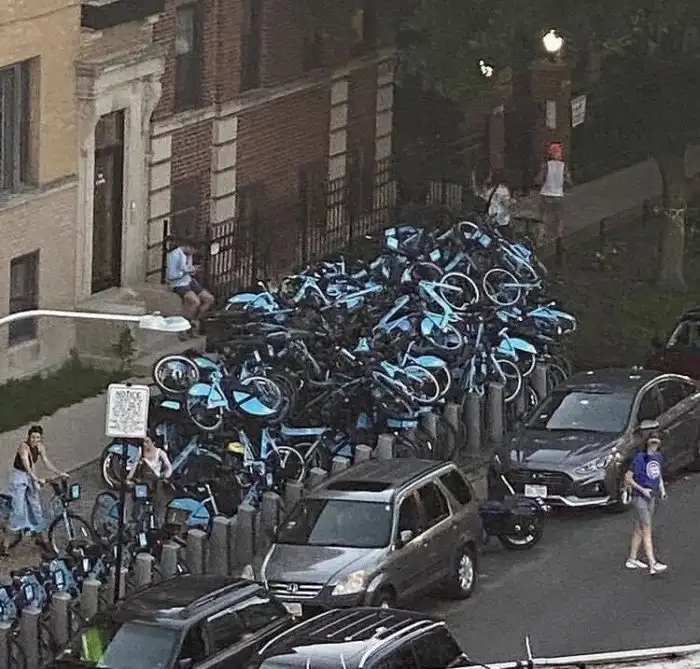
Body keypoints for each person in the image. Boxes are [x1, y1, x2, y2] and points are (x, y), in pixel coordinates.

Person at [7, 425, 68, 554]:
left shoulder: (40, 447)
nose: (35, 440)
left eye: (38, 437)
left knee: (37, 509)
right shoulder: (23, 447)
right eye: (33, 437)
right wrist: (36, 479)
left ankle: (43, 539)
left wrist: (59, 472)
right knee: (18, 511)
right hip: (20, 477)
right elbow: (27, 467)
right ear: (28, 437)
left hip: (31, 477)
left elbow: (46, 462)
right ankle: (5, 543)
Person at [624, 435, 668, 575]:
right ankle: (652, 563)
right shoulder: (639, 458)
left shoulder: (658, 457)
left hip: (651, 496)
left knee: (640, 529)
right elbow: (628, 478)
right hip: (640, 497)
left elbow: (658, 474)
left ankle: (632, 559)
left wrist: (662, 489)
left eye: (656, 444)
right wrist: (643, 490)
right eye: (652, 444)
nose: (654, 447)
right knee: (647, 528)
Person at [166, 239, 214, 339]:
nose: (193, 254)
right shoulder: (174, 255)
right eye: (193, 251)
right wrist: (187, 271)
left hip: (189, 280)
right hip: (178, 283)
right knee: (195, 302)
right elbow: (171, 275)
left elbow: (189, 269)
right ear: (188, 247)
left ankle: (194, 321)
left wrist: (193, 270)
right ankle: (183, 327)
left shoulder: (188, 255)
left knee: (209, 299)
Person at [534, 142, 572, 255]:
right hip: (558, 195)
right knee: (559, 219)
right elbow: (568, 180)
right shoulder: (563, 166)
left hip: (545, 194)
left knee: (543, 218)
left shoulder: (546, 165)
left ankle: (540, 240)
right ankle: (559, 240)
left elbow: (539, 179)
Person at [126, 431, 173, 518]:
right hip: (144, 481)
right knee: (137, 500)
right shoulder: (141, 452)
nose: (145, 444)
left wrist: (165, 476)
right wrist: (129, 477)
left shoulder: (160, 453)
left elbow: (169, 467)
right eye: (144, 442)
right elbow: (135, 465)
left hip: (155, 482)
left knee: (157, 503)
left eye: (147, 442)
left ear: (153, 442)